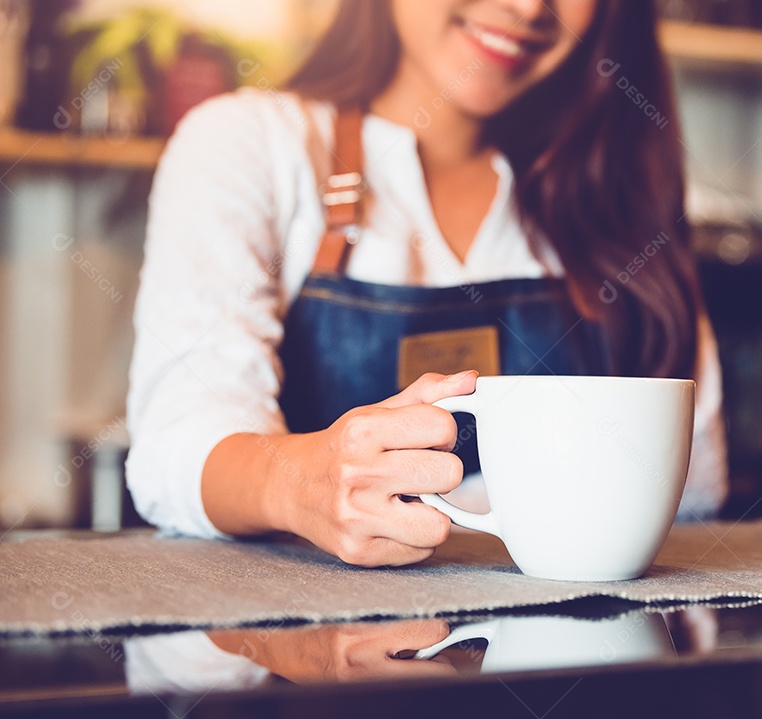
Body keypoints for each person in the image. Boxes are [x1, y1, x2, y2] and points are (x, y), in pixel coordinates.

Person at [126, 0, 727, 568]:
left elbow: (695, 489)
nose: (527, 8)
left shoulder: (616, 188)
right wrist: (301, 483)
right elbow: (178, 446)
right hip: (326, 636)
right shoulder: (251, 143)